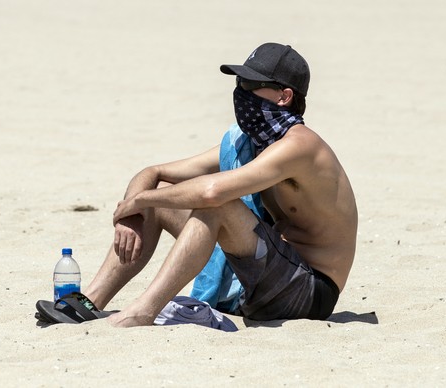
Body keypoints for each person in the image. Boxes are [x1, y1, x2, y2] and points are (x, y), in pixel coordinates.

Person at [83, 42, 358, 327]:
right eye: (239, 81)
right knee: (163, 195)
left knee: (215, 204)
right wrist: (132, 214)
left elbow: (212, 192)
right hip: (269, 268)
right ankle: (90, 300)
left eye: (251, 84)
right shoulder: (251, 143)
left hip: (310, 290)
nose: (241, 92)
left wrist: (140, 201)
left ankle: (143, 311)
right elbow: (154, 172)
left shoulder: (300, 145)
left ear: (284, 96)